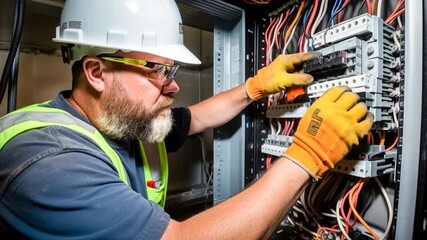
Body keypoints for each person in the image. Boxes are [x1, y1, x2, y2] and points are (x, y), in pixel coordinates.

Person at [0, 0, 373, 239]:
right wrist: (306, 155)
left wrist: (256, 87)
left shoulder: (124, 121)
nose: (174, 85)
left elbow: (195, 118)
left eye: (172, 69)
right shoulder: (48, 162)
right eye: (158, 70)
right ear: (96, 72)